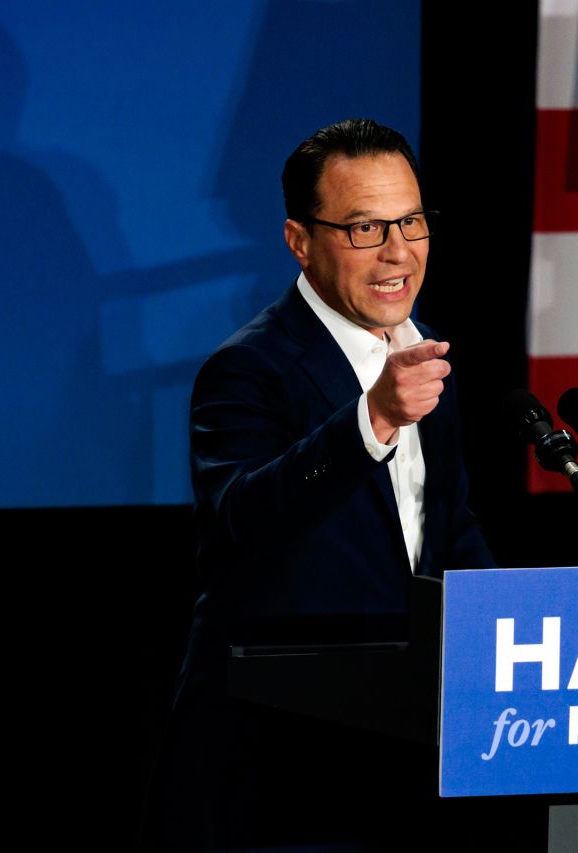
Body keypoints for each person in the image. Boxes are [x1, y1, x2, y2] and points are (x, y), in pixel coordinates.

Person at [149, 118, 495, 849]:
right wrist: (369, 419)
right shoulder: (247, 368)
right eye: (365, 227)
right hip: (280, 752)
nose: (399, 251)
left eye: (411, 221)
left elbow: (447, 526)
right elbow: (240, 522)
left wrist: (502, 637)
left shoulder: (424, 355)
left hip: (406, 742)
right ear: (299, 242)